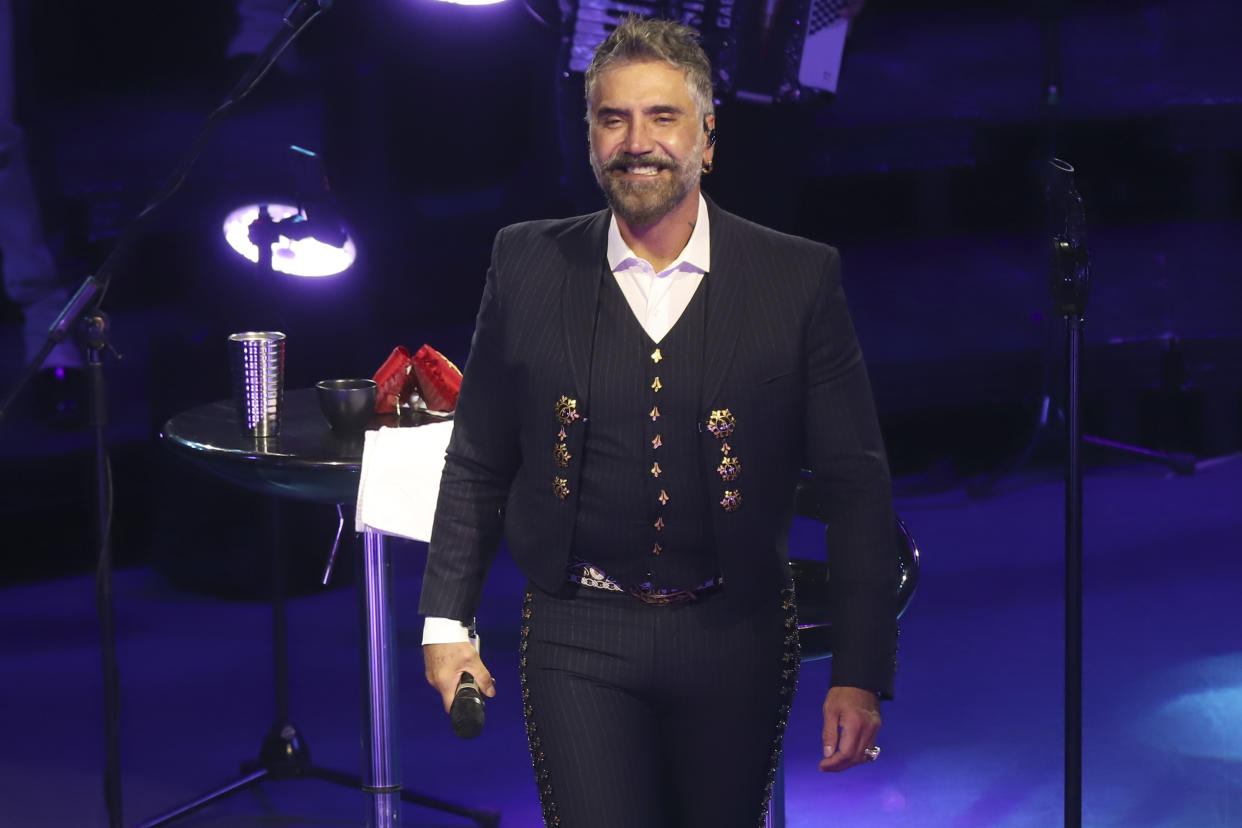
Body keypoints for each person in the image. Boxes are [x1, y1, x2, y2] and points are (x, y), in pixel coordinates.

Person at [419, 15, 898, 827]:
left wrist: (858, 670)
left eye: (662, 117)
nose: (636, 141)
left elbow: (856, 486)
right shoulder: (528, 261)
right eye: (614, 119)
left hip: (736, 632)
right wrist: (445, 621)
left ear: (708, 139)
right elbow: (477, 458)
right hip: (578, 632)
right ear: (592, 137)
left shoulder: (797, 277)